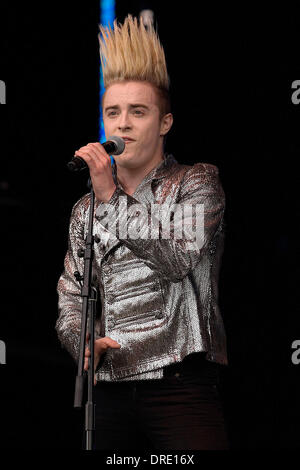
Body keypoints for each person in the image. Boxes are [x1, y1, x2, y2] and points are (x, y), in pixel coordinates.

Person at [56, 14, 229, 450]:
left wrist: (111, 197)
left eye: (138, 111)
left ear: (165, 122)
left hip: (179, 388)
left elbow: (176, 258)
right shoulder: (85, 209)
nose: (124, 123)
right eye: (113, 112)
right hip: (109, 391)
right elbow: (73, 297)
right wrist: (83, 341)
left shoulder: (197, 181)